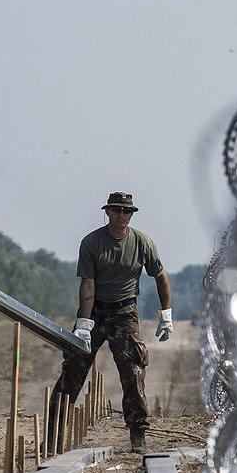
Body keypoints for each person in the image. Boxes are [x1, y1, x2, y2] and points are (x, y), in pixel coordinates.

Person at [50, 191, 172, 452]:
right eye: (116, 210)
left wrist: (166, 315)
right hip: (94, 311)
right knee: (72, 369)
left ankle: (138, 435)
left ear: (131, 214)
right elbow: (87, 286)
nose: (121, 216)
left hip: (125, 312)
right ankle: (53, 437)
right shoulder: (92, 243)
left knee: (133, 372)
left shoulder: (143, 243)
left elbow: (160, 277)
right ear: (107, 212)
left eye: (126, 211)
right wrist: (83, 324)